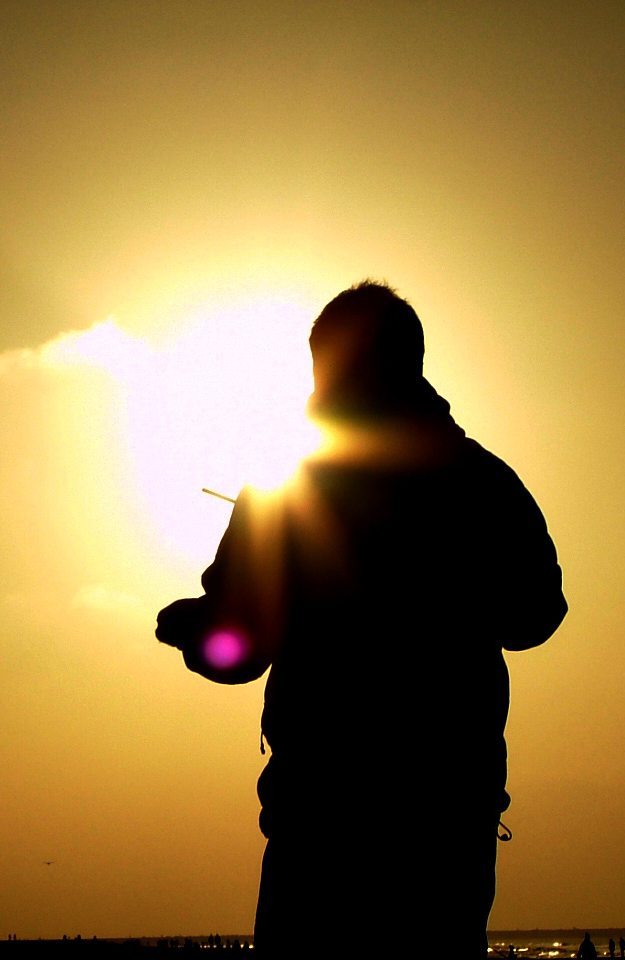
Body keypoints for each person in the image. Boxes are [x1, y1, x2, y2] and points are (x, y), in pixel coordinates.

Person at [156, 281, 567, 955]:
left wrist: (200, 632)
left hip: (330, 827)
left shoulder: (283, 494)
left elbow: (241, 650)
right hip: (436, 824)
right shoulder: (484, 483)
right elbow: (536, 615)